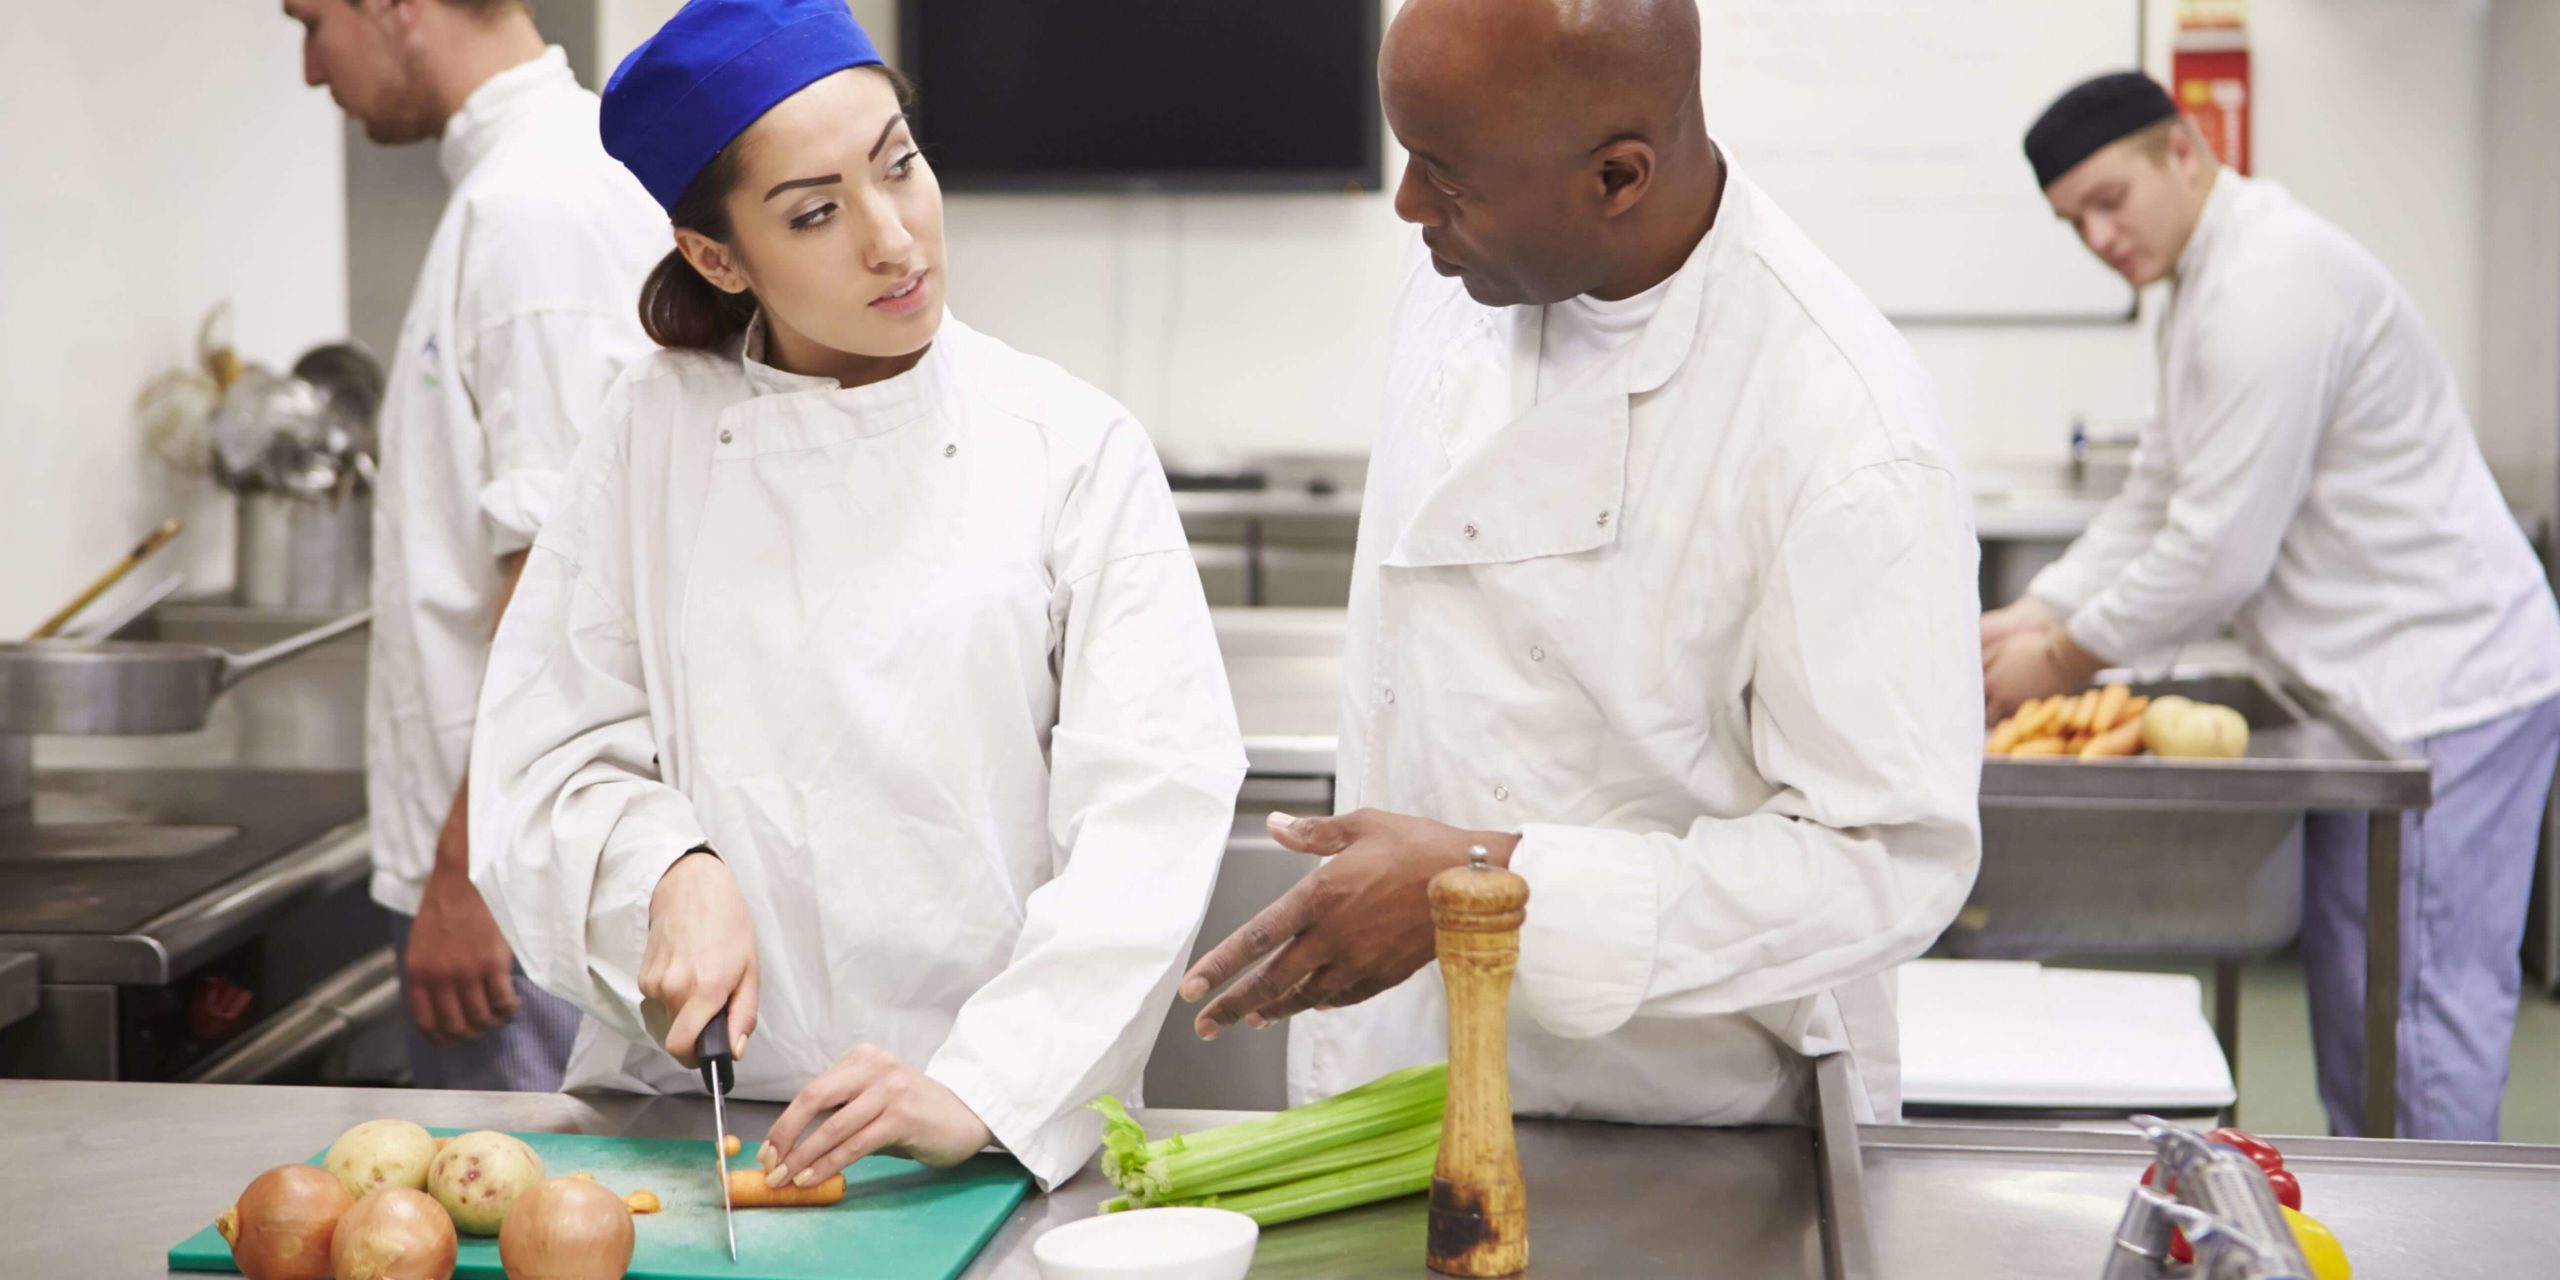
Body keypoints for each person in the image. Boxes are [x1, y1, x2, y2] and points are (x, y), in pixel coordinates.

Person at [468, 0, 1244, 1190]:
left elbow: (1152, 808)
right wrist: (662, 871)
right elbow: (547, 761)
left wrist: (983, 1086)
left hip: (984, 1136)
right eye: (817, 212)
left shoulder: (1067, 446)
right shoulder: (648, 434)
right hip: (695, 1132)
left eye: (901, 165)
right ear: (717, 256)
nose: (895, 239)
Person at [1179, 0, 1982, 1125]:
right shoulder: (1468, 272)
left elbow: (1886, 864)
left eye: (1444, 178)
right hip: (1412, 1071)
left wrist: (1484, 886)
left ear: (1617, 178)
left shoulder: (1843, 428)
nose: (1406, 205)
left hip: (1677, 1120)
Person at [1982, 72, 2560, 1140]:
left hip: (2445, 681)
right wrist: (2029, 613)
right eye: (2074, 222)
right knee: (2363, 1011)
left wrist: (2058, 659)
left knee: (2414, 1026)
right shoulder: (2202, 284)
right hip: (2373, 682)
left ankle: (2428, 1251)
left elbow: (2216, 554)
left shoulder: (2267, 284)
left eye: (2110, 199)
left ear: (2183, 152)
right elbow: (2160, 487)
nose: (2099, 236)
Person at [281, 0, 665, 1089]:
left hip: (517, 884)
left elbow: (558, 580)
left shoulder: (532, 209)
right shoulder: (527, 186)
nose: (312, 68)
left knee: (529, 1236)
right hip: (512, 860)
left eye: (312, 22)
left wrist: (466, 874)